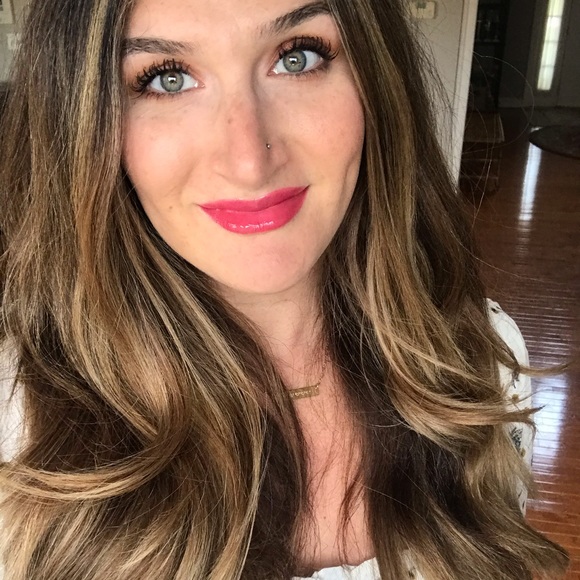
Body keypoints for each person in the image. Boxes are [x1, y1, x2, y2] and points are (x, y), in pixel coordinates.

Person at [0, 0, 569, 578]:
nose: (249, 160)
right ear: (84, 126)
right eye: (167, 78)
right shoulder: (19, 425)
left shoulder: (483, 360)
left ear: (377, 80)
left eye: (297, 58)